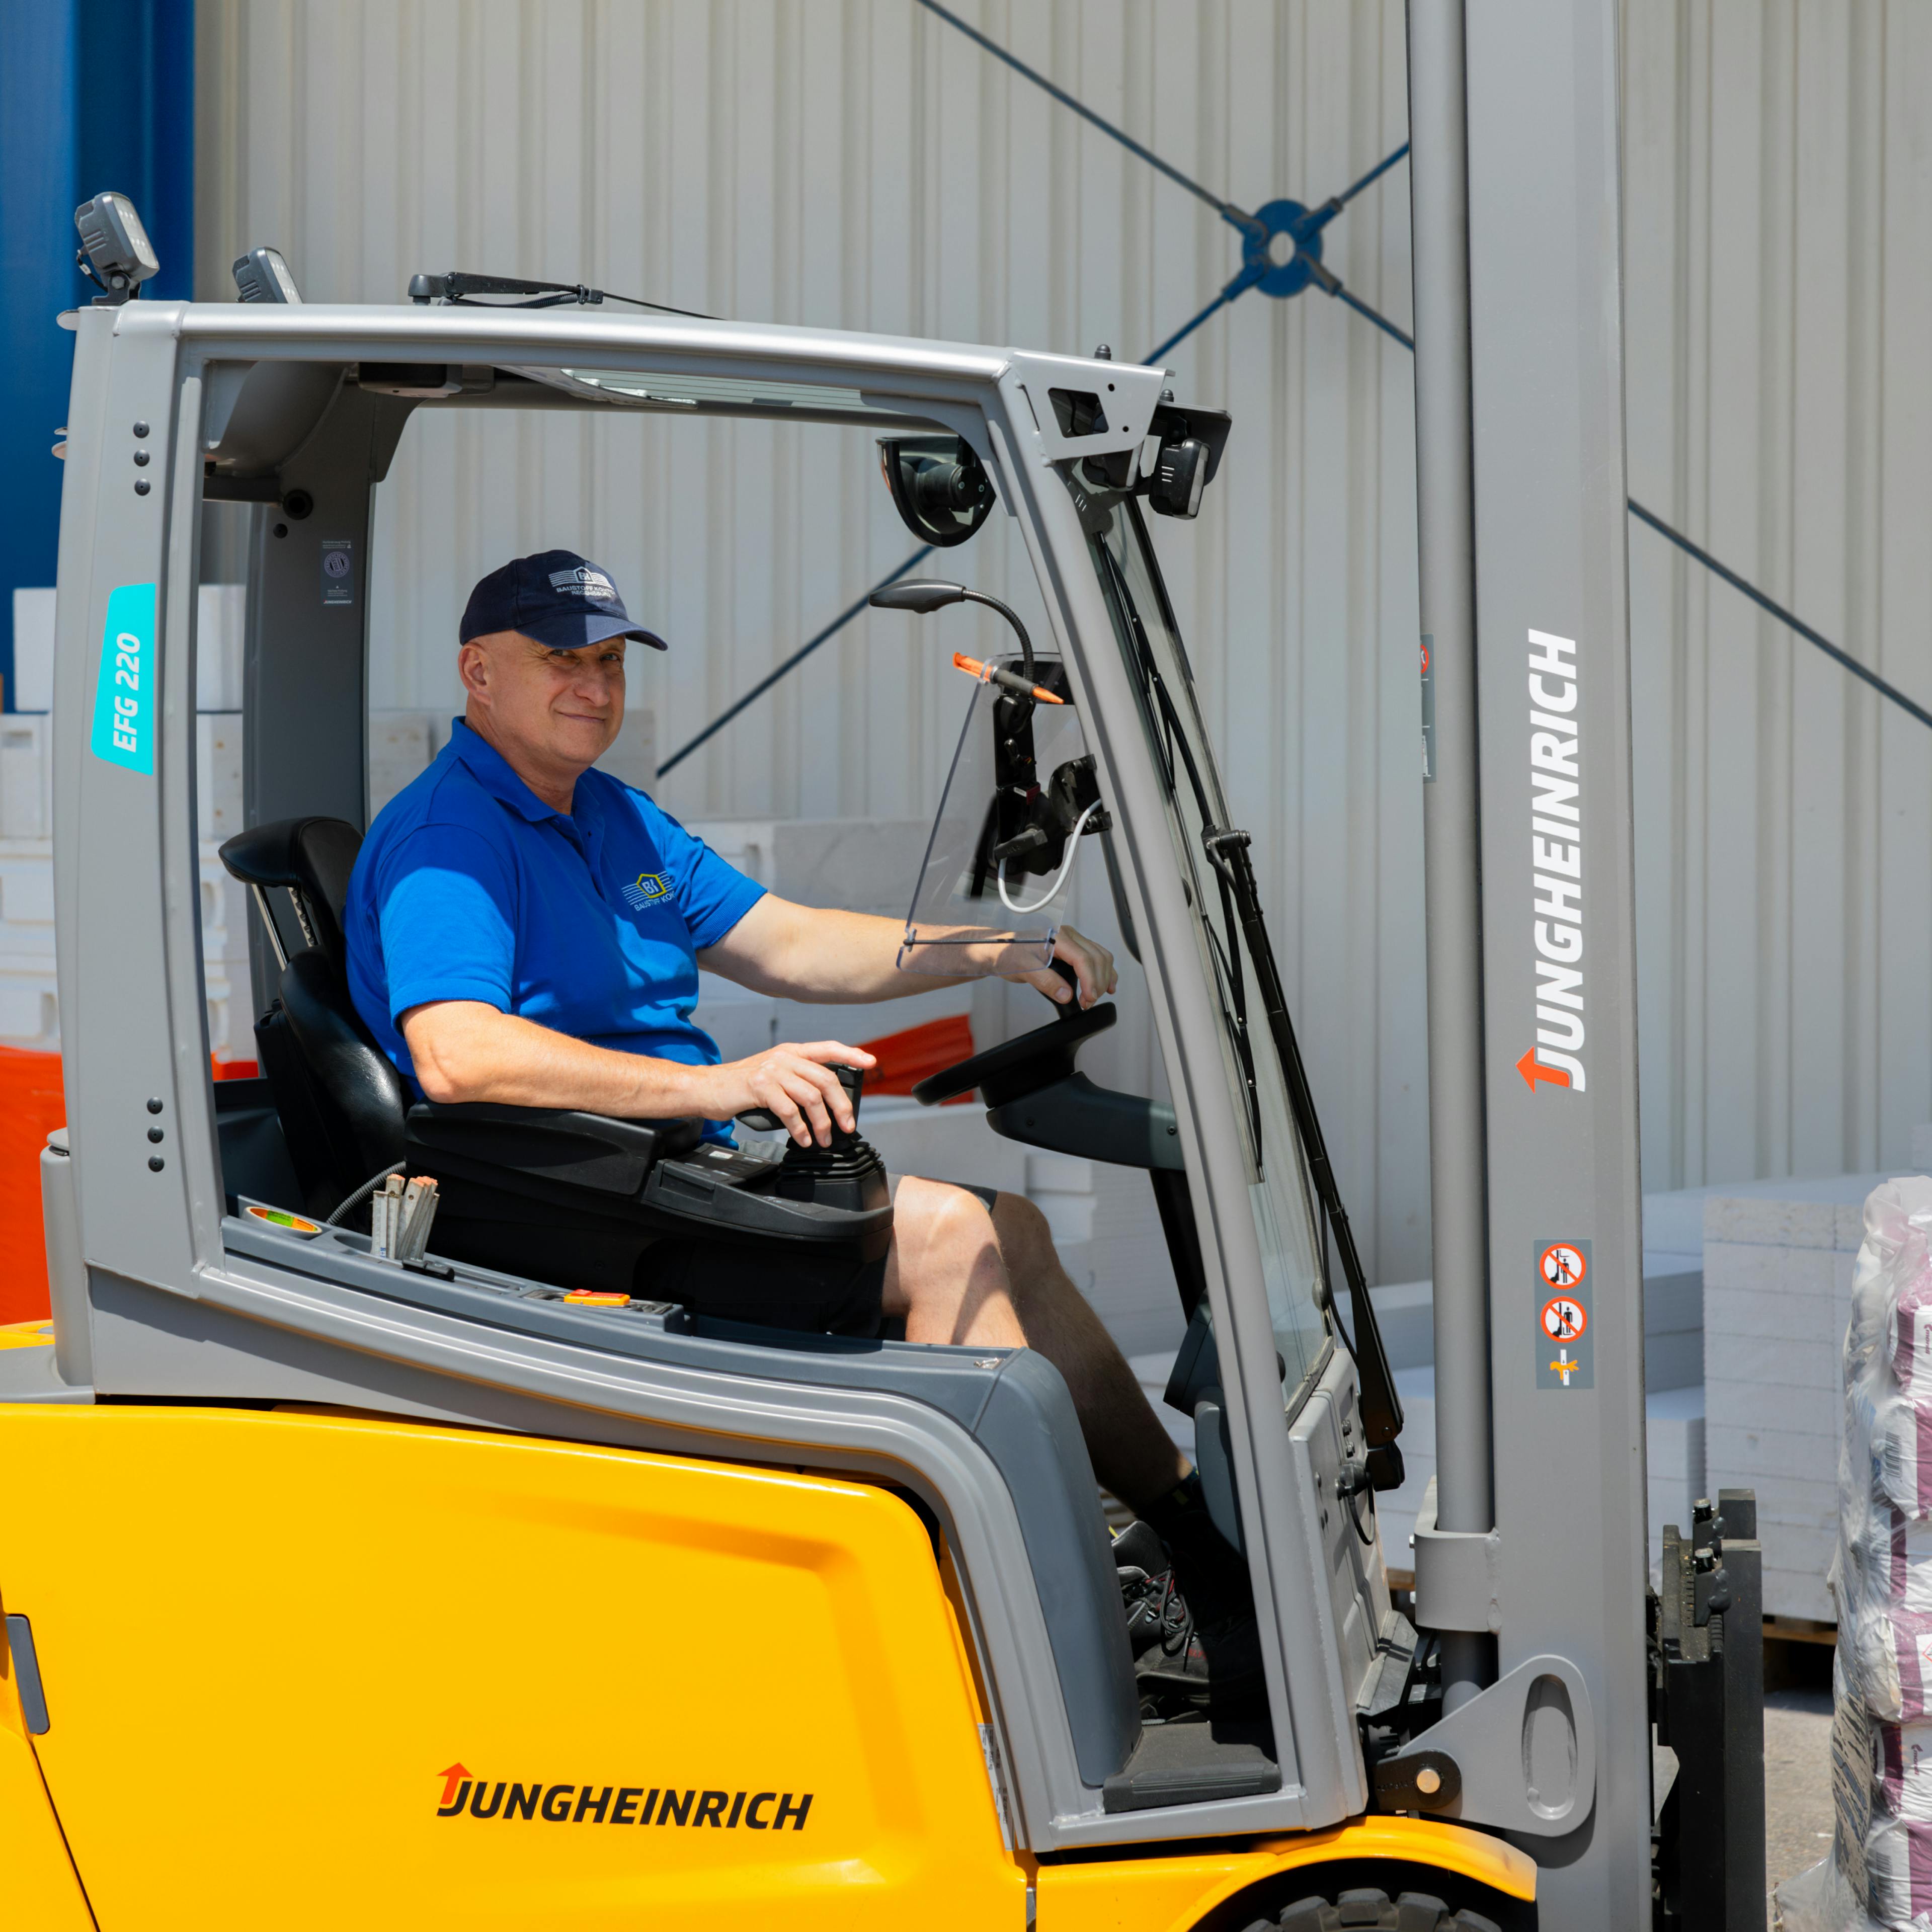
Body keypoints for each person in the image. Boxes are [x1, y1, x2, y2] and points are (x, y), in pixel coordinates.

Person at [345, 549, 1257, 1707]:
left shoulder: (612, 817)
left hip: (654, 1167)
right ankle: (1018, 1632)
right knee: (947, 1245)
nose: (594, 685)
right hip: (564, 1200)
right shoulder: (451, 837)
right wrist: (725, 1087)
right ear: (479, 672)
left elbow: (791, 941)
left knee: (1009, 1227)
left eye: (611, 661)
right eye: (561, 659)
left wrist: (998, 950)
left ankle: (1193, 1542)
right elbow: (458, 1053)